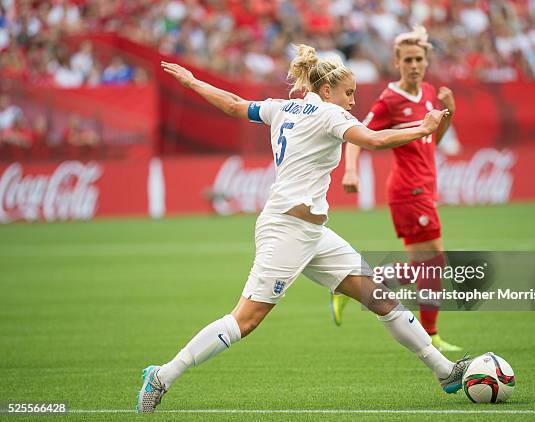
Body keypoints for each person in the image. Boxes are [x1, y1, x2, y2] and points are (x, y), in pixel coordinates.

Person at [137, 45, 469, 413]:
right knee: (245, 320)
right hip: (287, 231)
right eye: (348, 93)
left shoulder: (283, 107)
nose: (353, 101)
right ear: (327, 91)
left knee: (380, 297)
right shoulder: (329, 115)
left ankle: (445, 372)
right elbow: (374, 140)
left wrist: (194, 81)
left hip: (312, 233)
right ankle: (162, 376)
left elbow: (234, 104)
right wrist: (421, 127)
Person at [333, 26, 462, 352]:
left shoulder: (431, 92)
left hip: (425, 186)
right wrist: (350, 170)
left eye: (419, 58)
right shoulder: (390, 100)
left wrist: (450, 113)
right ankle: (428, 333)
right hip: (408, 190)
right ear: (397, 62)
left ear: (426, 60)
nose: (414, 65)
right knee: (433, 263)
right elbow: (357, 132)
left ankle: (354, 286)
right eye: (408, 59)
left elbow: (434, 140)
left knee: (429, 265)